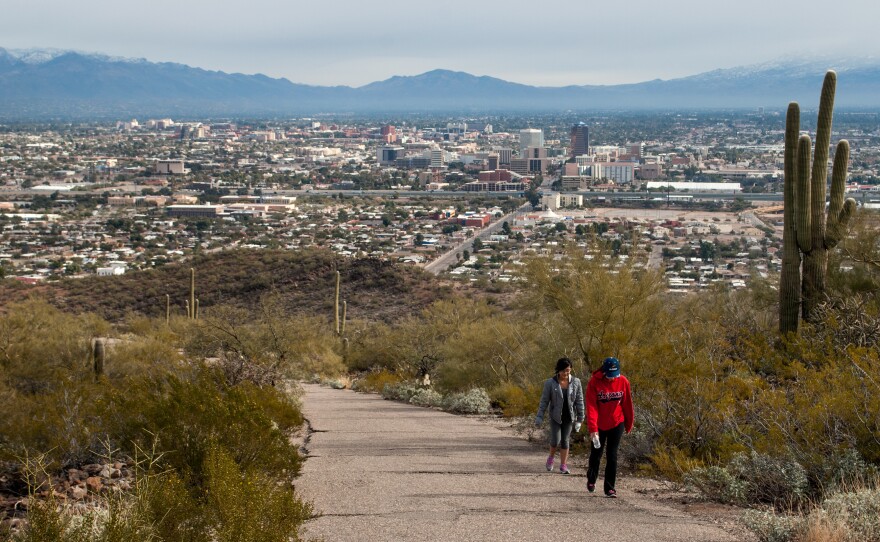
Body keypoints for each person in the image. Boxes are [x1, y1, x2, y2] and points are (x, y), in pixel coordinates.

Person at [585, 356, 634, 498]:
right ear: (604, 372)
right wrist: (593, 430)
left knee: (612, 455)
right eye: (610, 375)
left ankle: (610, 488)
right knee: (596, 454)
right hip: (599, 424)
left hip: (617, 422)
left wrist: (629, 423)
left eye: (615, 375)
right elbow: (591, 407)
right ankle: (592, 479)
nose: (612, 378)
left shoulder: (623, 381)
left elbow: (627, 403)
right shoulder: (594, 382)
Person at [535, 357, 585, 475]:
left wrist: (580, 419)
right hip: (555, 416)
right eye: (563, 371)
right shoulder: (550, 383)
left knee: (565, 441)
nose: (565, 373)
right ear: (558, 370)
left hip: (569, 416)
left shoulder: (576, 382)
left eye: (568, 370)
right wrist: (539, 416)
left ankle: (563, 465)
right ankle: (551, 457)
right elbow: (544, 401)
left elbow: (579, 401)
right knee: (555, 440)